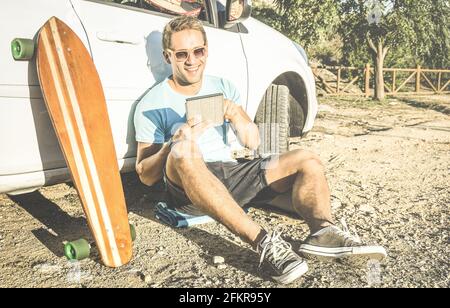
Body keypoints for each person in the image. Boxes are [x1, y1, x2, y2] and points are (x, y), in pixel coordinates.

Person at [134, 15, 387, 285]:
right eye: (182, 54)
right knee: (185, 149)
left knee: (307, 159)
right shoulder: (152, 103)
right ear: (167, 56)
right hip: (187, 184)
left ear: (206, 50)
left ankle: (323, 232)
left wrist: (236, 114)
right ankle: (265, 243)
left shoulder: (223, 86)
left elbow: (252, 143)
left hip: (230, 172)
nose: (192, 60)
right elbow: (145, 174)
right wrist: (172, 144)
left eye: (198, 51)